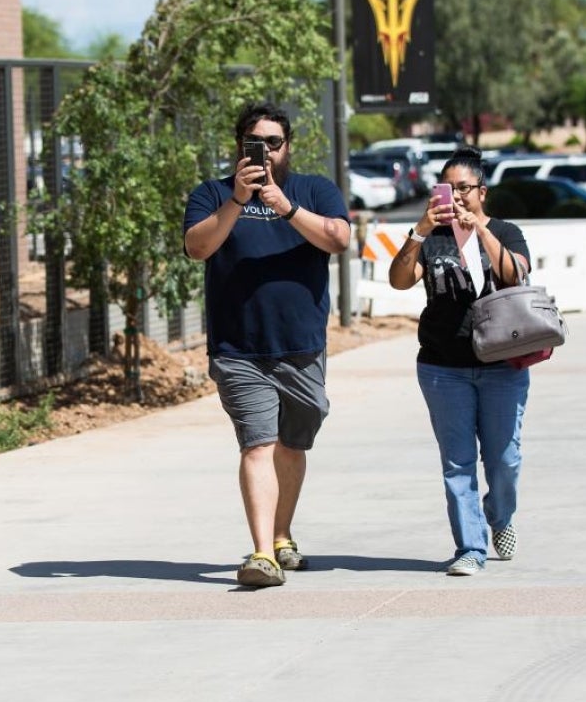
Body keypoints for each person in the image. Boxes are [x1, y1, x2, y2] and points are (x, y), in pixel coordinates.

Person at [183, 102, 351, 588]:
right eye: (257, 143)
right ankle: (262, 555)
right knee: (258, 445)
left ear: (288, 146)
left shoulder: (312, 189)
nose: (267, 152)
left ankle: (281, 536)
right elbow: (198, 248)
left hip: (301, 348)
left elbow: (338, 238)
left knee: (293, 445)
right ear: (240, 147)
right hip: (239, 350)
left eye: (275, 143)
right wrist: (236, 200)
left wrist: (288, 208)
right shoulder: (212, 194)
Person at [388, 145, 530, 576]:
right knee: (457, 462)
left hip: (502, 364)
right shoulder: (432, 237)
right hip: (441, 365)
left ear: (482, 192)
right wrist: (419, 230)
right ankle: (470, 547)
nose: (456, 197)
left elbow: (516, 274)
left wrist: (480, 232)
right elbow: (398, 281)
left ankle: (500, 515)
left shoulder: (505, 231)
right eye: (447, 189)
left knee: (504, 459)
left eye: (464, 189)